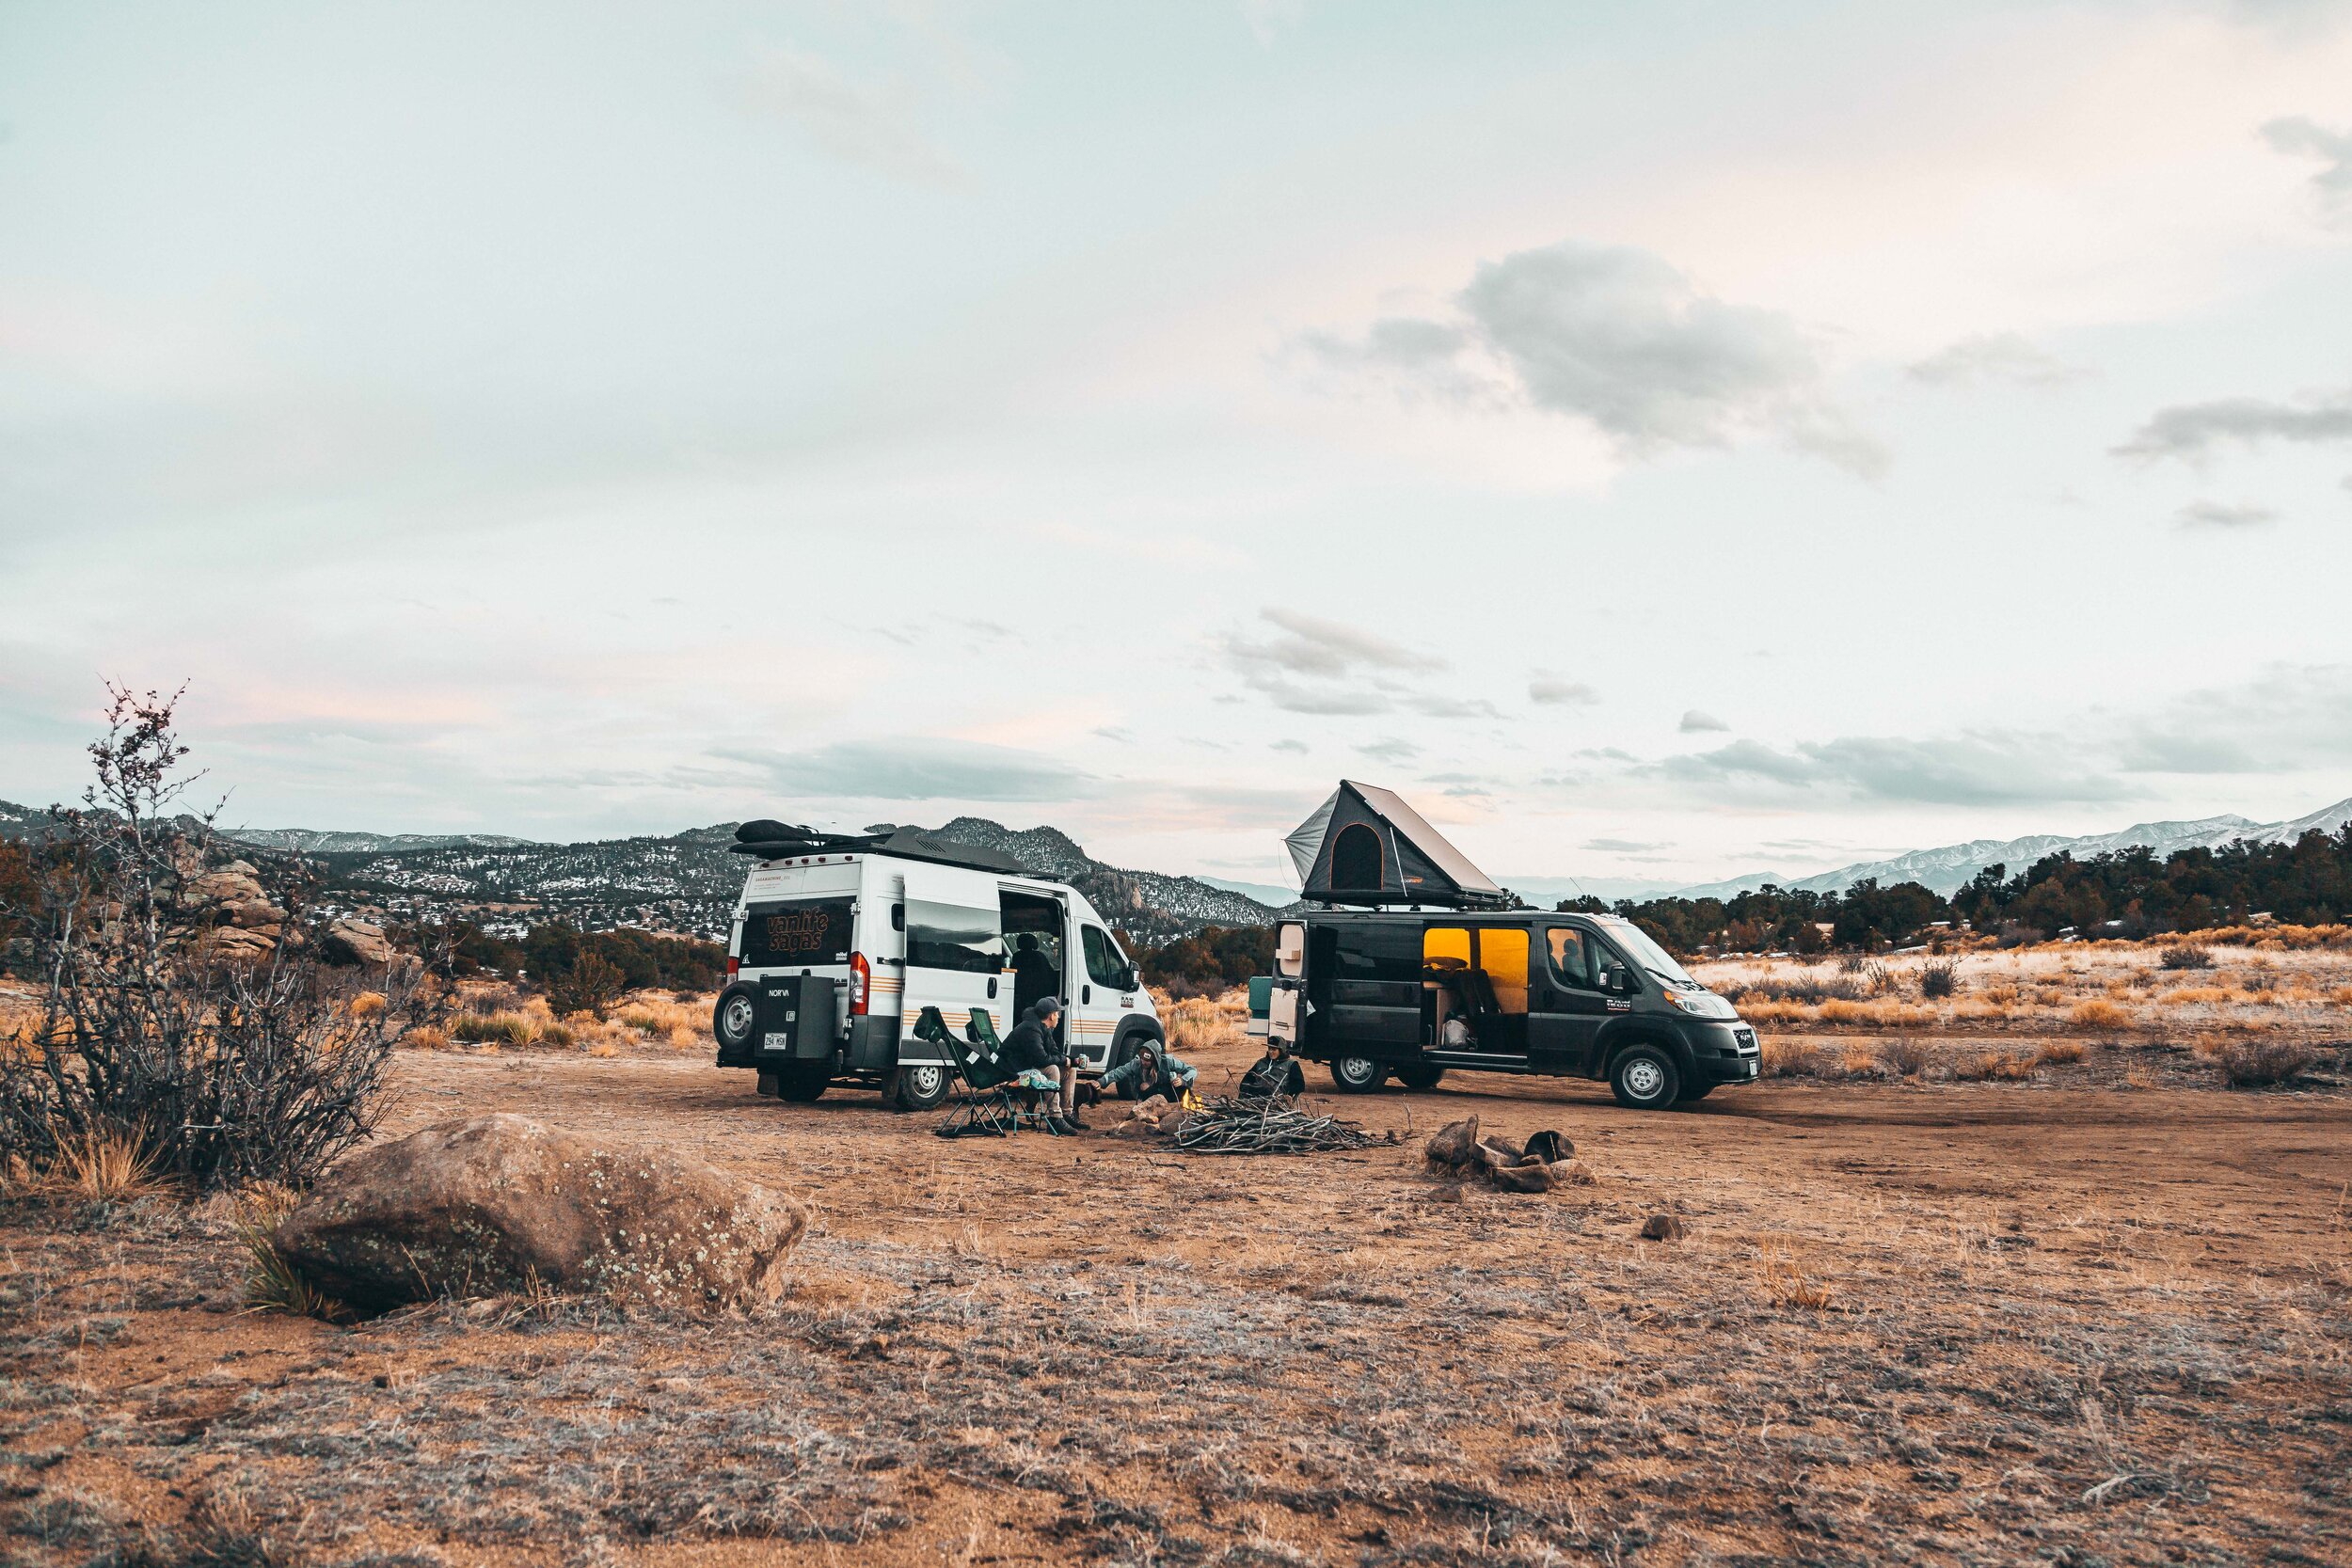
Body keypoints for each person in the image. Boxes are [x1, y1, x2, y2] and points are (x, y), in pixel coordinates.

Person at [999, 995, 1078, 1134]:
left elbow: (1054, 1052)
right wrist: (1062, 1061)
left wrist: (1072, 1061)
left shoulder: (1043, 1027)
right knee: (1052, 1069)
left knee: (1070, 1070)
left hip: (1026, 1067)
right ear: (1051, 1016)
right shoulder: (1031, 1029)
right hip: (1014, 1072)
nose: (1058, 1017)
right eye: (1057, 1013)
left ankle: (1066, 1114)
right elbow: (1041, 1060)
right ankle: (1055, 1118)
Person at [1098, 1039, 1196, 1102]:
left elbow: (1192, 1070)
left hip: (1170, 1093)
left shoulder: (1168, 1062)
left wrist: (1182, 1080)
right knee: (1144, 1087)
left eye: (1147, 1061)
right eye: (1142, 1059)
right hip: (1150, 1096)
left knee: (1183, 1088)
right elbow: (1118, 1072)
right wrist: (1100, 1082)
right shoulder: (1136, 1064)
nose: (1143, 1062)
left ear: (1155, 1060)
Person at [1009, 931, 1059, 1020]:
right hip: (1039, 996)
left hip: (1022, 996)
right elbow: (1050, 976)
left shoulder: (1017, 957)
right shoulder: (1039, 957)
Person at [1240, 1039, 1306, 1100]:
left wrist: (1288, 1093)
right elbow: (1247, 1079)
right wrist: (1246, 1089)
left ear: (1281, 1050)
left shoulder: (1291, 1064)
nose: (1270, 1052)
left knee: (1266, 1090)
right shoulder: (1261, 1062)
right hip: (1256, 1096)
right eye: (1269, 1049)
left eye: (1274, 1049)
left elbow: (1300, 1085)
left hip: (1276, 1097)